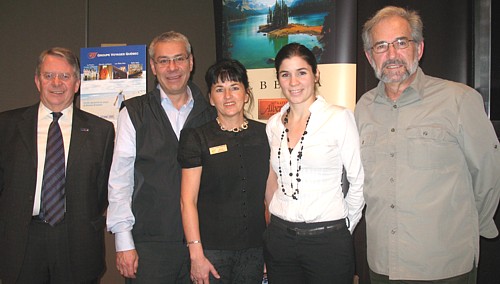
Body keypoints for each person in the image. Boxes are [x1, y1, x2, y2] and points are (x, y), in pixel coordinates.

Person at [355, 6, 500, 283]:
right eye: (381, 46)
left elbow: (489, 174)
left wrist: (468, 225)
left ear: (418, 48)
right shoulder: (363, 108)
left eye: (401, 42)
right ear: (369, 56)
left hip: (444, 265)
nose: (392, 54)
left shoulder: (459, 100)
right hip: (381, 265)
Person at [106, 31, 216, 283]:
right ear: (153, 67)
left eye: (179, 58)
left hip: (205, 243)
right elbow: (120, 180)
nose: (173, 67)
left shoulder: (211, 113)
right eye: (164, 61)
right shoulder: (134, 112)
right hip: (150, 246)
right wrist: (123, 242)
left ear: (191, 62)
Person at [0, 47, 115, 283]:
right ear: (37, 81)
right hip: (22, 241)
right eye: (48, 75)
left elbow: (102, 190)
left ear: (76, 83)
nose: (56, 83)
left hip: (76, 240)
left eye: (65, 76)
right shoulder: (7, 125)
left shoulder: (100, 131)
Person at [264, 43, 365, 284]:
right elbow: (273, 179)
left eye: (302, 72)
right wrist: (271, 225)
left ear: (316, 74)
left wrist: (344, 225)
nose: (294, 82)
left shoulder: (338, 118)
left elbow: (358, 179)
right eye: (285, 74)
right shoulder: (273, 124)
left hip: (327, 241)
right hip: (280, 240)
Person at [178, 59, 270, 284]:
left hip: (255, 250)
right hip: (212, 251)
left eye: (234, 87)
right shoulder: (196, 137)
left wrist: (272, 249)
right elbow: (187, 201)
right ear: (210, 97)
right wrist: (196, 254)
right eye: (219, 89)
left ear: (246, 93)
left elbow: (271, 198)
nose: (228, 96)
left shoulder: (266, 134)